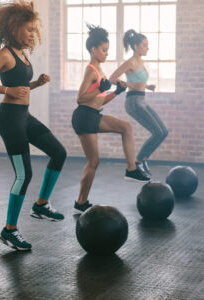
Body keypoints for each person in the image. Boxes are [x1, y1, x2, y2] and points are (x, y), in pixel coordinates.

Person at [0, 1, 66, 251]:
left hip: (23, 116)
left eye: (33, 30)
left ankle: (41, 205)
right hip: (9, 119)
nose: (32, 34)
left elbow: (21, 88)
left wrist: (36, 83)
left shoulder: (23, 54)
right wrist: (6, 89)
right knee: (24, 175)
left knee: (59, 153)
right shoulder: (4, 55)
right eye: (28, 29)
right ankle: (9, 230)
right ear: (14, 28)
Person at [72, 25, 150, 214]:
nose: (107, 54)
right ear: (94, 50)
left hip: (93, 115)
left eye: (107, 50)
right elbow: (80, 98)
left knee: (126, 127)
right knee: (93, 162)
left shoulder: (100, 70)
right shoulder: (91, 70)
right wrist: (100, 88)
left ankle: (131, 169)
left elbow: (101, 100)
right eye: (104, 50)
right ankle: (81, 202)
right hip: (84, 116)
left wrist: (117, 92)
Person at [110, 30, 168, 176]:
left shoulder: (141, 62)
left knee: (163, 132)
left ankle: (143, 159)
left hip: (142, 100)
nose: (147, 48)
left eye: (147, 45)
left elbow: (138, 81)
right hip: (133, 102)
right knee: (157, 132)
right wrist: (131, 85)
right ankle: (138, 161)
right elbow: (112, 78)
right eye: (144, 45)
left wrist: (147, 86)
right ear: (136, 46)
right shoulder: (130, 62)